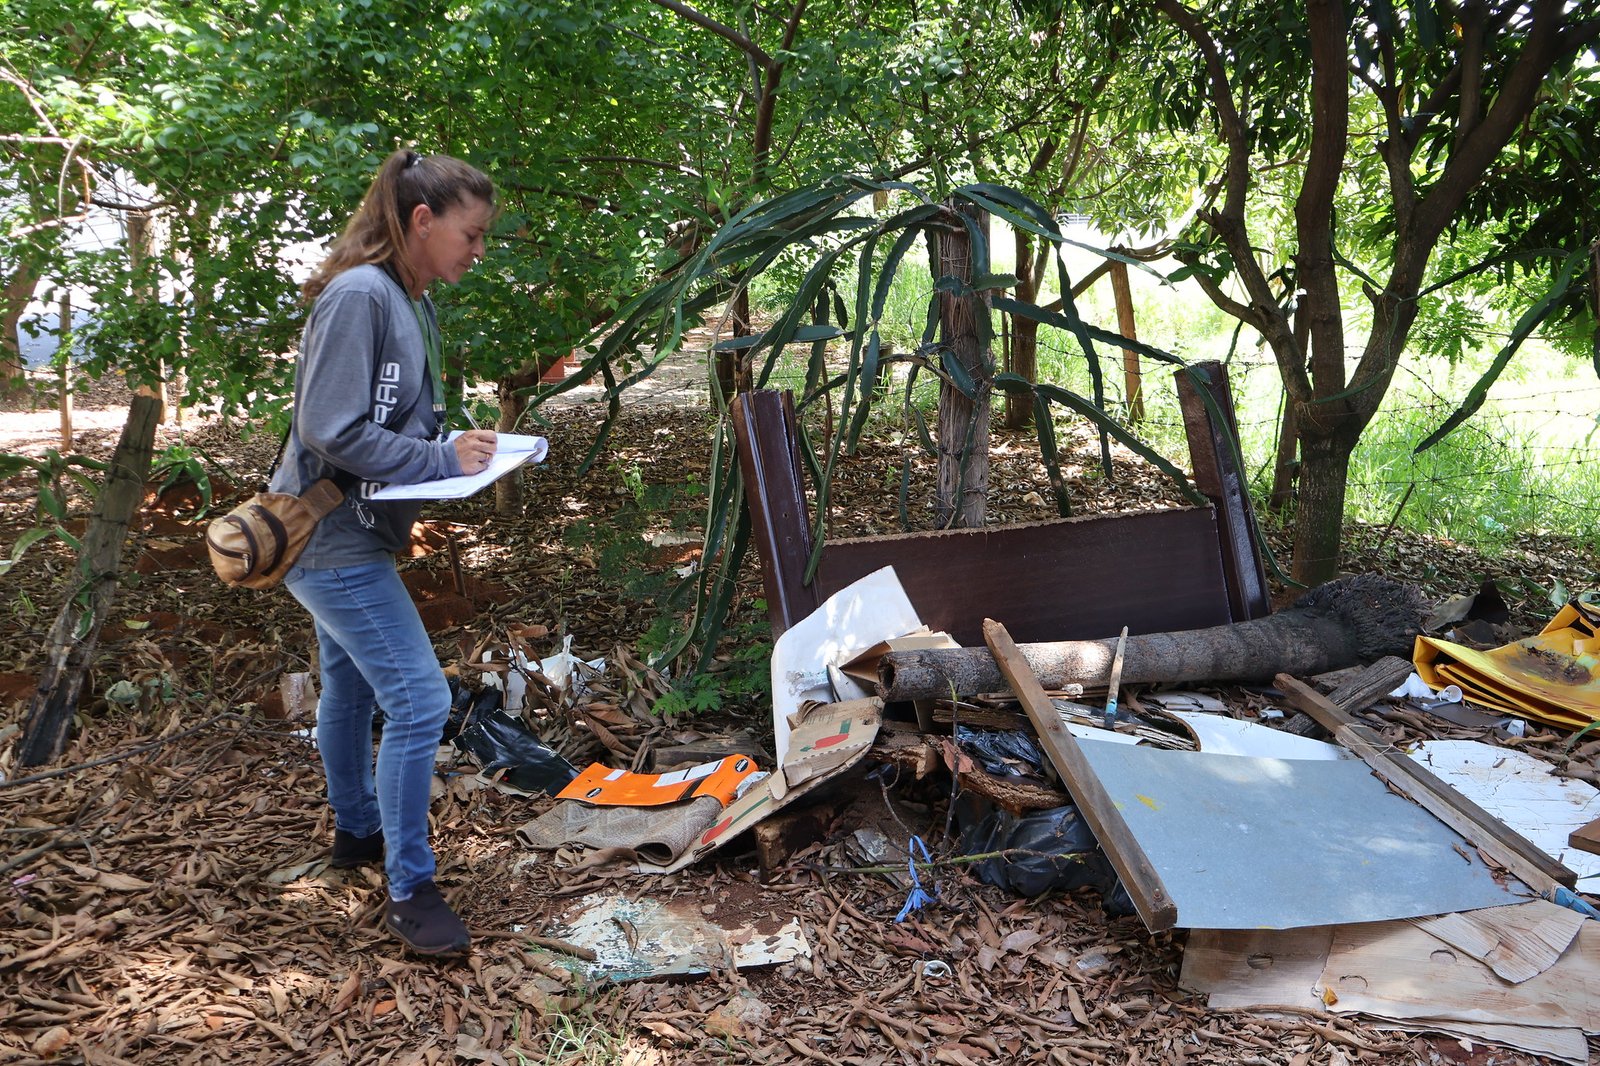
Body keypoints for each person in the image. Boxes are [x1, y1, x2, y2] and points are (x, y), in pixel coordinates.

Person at [271, 148, 499, 955]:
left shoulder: (412, 300)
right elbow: (328, 428)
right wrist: (440, 460)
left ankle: (358, 837)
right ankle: (410, 886)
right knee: (421, 702)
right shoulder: (360, 294)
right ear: (421, 220)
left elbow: (391, 422)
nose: (478, 250)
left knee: (350, 690)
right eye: (470, 234)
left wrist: (458, 446)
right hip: (329, 540)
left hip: (359, 532)